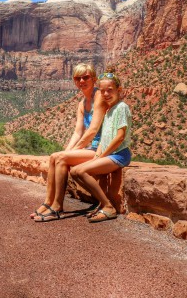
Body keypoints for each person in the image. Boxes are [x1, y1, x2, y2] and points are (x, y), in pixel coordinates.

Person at [31, 63, 108, 222]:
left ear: (93, 79)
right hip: (90, 147)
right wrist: (66, 151)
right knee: (55, 156)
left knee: (61, 157)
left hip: (102, 148)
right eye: (77, 78)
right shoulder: (82, 103)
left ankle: (57, 207)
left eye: (85, 77)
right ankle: (48, 202)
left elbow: (93, 130)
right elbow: (77, 132)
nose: (81, 81)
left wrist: (68, 153)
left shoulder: (99, 96)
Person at [69, 70, 132, 223]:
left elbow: (119, 137)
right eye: (102, 91)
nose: (106, 94)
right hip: (107, 153)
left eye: (110, 90)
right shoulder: (109, 110)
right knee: (75, 171)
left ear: (119, 90)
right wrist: (97, 155)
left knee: (82, 171)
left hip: (119, 154)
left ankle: (108, 206)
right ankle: (101, 204)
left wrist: (103, 156)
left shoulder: (121, 107)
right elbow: (104, 138)